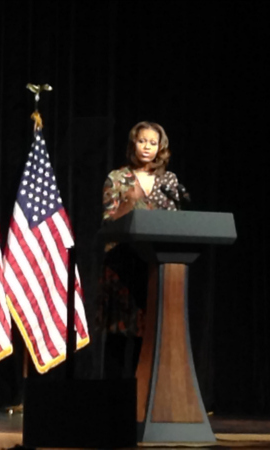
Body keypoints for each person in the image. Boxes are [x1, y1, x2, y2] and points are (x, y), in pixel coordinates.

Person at [98, 121, 179, 378]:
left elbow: (174, 222)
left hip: (152, 265)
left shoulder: (168, 180)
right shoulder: (117, 178)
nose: (147, 147)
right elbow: (108, 223)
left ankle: (141, 394)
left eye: (153, 143)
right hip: (121, 264)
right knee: (118, 337)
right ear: (133, 144)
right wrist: (128, 205)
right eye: (142, 141)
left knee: (147, 336)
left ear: (160, 148)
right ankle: (113, 395)